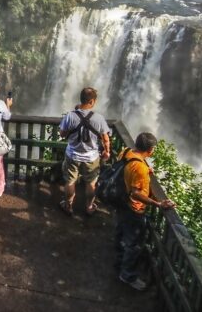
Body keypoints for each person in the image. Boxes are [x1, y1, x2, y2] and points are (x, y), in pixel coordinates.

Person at [115, 132, 176, 291]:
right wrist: (158, 203)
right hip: (133, 209)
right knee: (134, 244)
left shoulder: (127, 152)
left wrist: (146, 169)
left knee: (121, 233)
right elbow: (136, 193)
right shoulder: (140, 168)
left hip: (120, 202)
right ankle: (127, 276)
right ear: (150, 150)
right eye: (153, 148)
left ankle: (119, 261)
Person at [58, 87, 111, 216]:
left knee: (70, 181)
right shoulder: (99, 118)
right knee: (91, 182)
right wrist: (107, 151)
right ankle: (89, 206)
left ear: (81, 99)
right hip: (91, 157)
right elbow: (105, 138)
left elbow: (62, 134)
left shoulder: (70, 116)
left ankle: (68, 205)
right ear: (92, 101)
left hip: (72, 154)